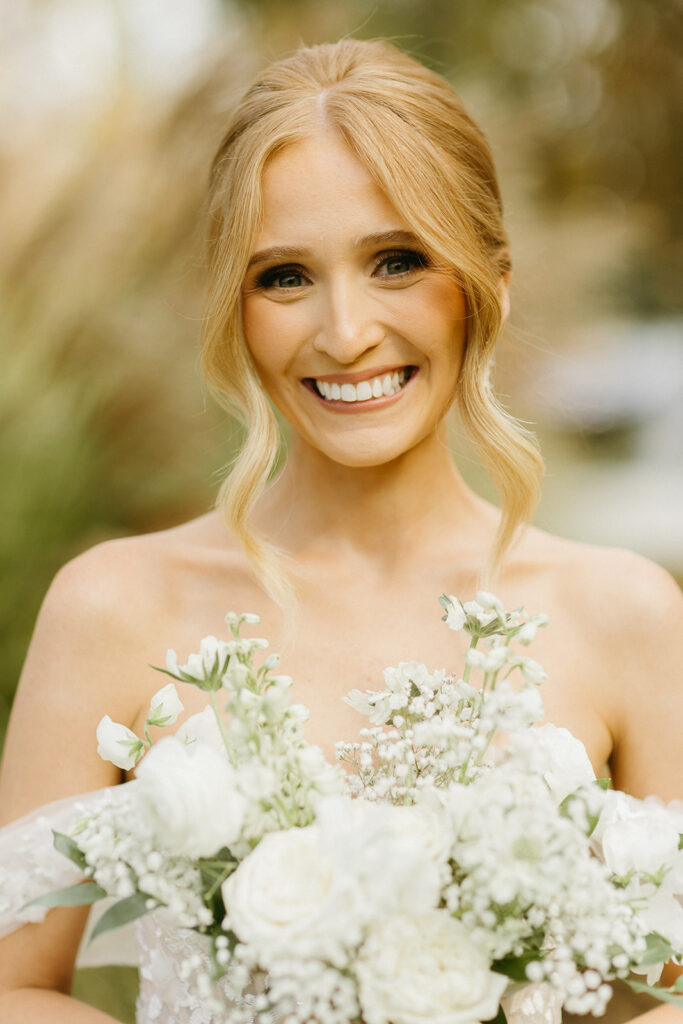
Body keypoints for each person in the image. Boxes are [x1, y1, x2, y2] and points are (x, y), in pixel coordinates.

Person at [0, 37, 681, 1024]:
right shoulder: (112, 606)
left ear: (488, 281)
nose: (345, 332)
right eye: (283, 276)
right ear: (233, 307)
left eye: (397, 262)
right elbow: (12, 989)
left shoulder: (623, 611)